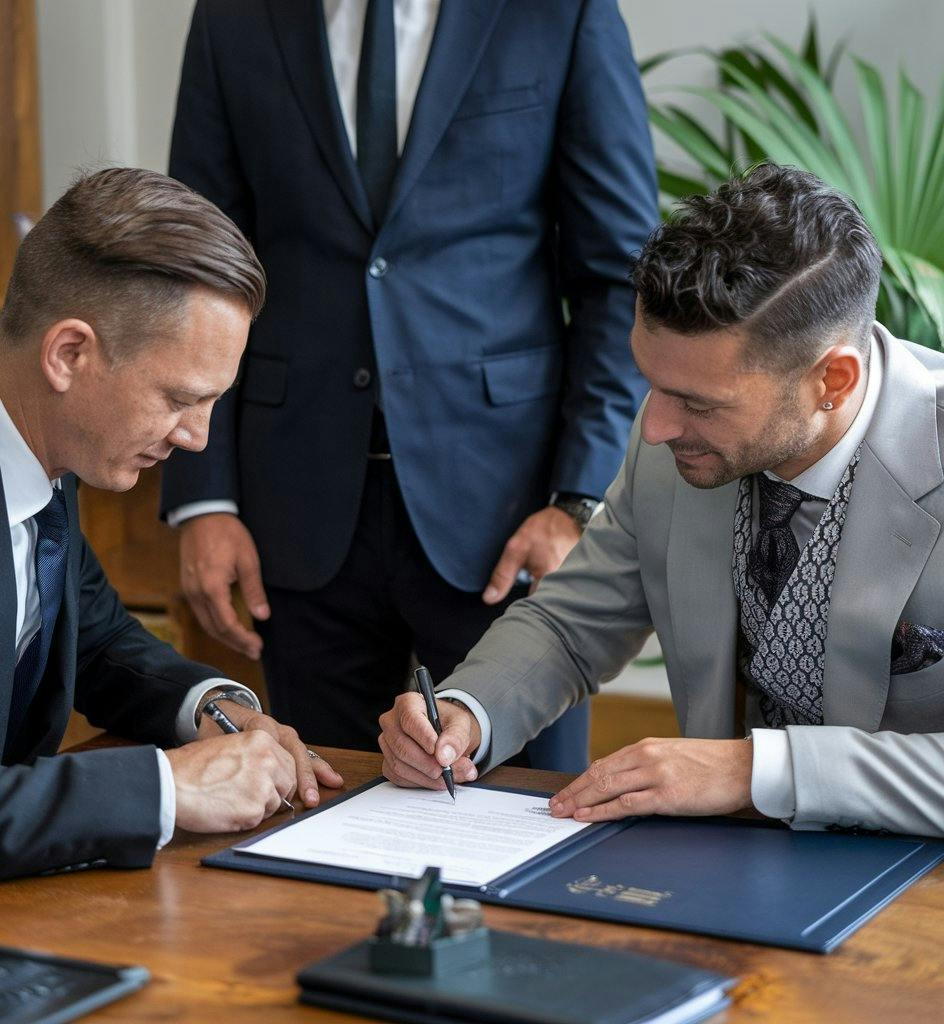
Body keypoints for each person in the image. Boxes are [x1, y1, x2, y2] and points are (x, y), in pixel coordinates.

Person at [160, 0, 658, 771]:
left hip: (509, 514)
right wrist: (204, 498)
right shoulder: (234, 14)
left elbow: (616, 277)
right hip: (293, 506)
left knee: (521, 819)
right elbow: (195, 262)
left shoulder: (561, 12)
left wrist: (577, 501)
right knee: (312, 803)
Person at [378, 163, 944, 838]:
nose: (654, 428)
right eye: (654, 384)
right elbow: (570, 626)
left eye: (697, 402)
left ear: (833, 378)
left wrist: (751, 772)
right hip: (724, 869)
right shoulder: (675, 440)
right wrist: (467, 712)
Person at [0, 168, 342, 889]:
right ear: (69, 355)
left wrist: (212, 707)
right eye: (181, 398)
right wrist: (169, 790)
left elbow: (98, 640)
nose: (199, 439)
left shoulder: (35, 442)